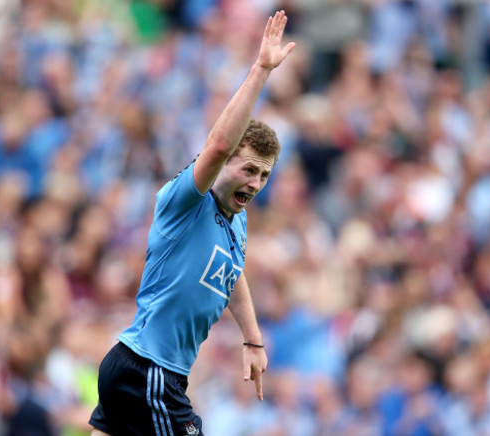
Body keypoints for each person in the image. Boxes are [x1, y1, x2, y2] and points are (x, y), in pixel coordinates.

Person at [89, 10, 295, 436]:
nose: (256, 183)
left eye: (265, 175)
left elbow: (232, 273)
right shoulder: (187, 199)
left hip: (143, 371)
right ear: (225, 163)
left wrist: (253, 339)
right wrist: (260, 71)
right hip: (150, 371)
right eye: (249, 169)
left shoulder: (236, 220)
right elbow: (219, 143)